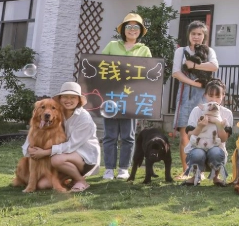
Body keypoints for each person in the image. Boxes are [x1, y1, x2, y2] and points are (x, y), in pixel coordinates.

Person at [99, 13, 152, 181]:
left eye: (136, 27)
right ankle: (108, 168)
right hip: (111, 97)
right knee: (110, 135)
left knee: (128, 136)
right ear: (123, 30)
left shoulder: (144, 50)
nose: (132, 30)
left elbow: (149, 73)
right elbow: (100, 66)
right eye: (129, 26)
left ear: (141, 31)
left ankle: (123, 168)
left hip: (131, 98)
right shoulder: (112, 45)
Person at [24, 82, 100, 193]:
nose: (68, 100)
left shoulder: (84, 119)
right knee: (43, 184)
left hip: (85, 158)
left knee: (56, 159)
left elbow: (71, 145)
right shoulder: (57, 112)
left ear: (79, 100)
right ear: (60, 99)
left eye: (73, 97)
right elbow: (35, 131)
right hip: (65, 156)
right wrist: (29, 148)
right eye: (65, 96)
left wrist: (45, 153)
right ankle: (72, 178)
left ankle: (81, 180)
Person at [172, 20, 219, 179]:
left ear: (204, 36)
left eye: (200, 34)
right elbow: (176, 73)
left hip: (203, 96)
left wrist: (193, 66)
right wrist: (194, 82)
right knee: (185, 132)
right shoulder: (181, 51)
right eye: (193, 34)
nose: (196, 37)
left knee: (204, 132)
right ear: (188, 35)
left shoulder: (209, 51)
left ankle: (201, 170)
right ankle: (186, 170)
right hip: (185, 95)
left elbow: (214, 66)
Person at [182, 79, 233, 186]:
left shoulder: (227, 113)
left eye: (217, 96)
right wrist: (200, 126)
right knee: (197, 153)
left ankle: (216, 177)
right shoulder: (197, 110)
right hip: (197, 146)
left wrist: (217, 122)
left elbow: (224, 139)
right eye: (210, 95)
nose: (213, 99)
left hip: (216, 147)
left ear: (223, 96)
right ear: (205, 95)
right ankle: (196, 176)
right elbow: (190, 135)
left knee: (216, 152)